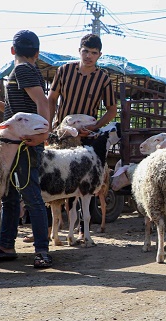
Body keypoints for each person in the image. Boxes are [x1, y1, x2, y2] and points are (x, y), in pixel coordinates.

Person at [0, 30, 52, 268]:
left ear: (13, 50)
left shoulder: (22, 70)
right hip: (17, 144)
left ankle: (42, 250)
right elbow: (19, 115)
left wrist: (44, 133)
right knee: (10, 196)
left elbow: (42, 103)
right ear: (37, 52)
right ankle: (5, 244)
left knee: (30, 195)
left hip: (25, 145)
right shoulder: (29, 71)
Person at [46, 33, 116, 241]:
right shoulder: (64, 71)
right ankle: (52, 229)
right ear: (79, 51)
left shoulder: (103, 79)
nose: (89, 56)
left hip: (86, 137)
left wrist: (95, 127)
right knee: (54, 179)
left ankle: (79, 230)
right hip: (62, 135)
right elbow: (52, 99)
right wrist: (50, 127)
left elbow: (112, 110)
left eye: (94, 53)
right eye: (85, 51)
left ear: (99, 55)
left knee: (84, 183)